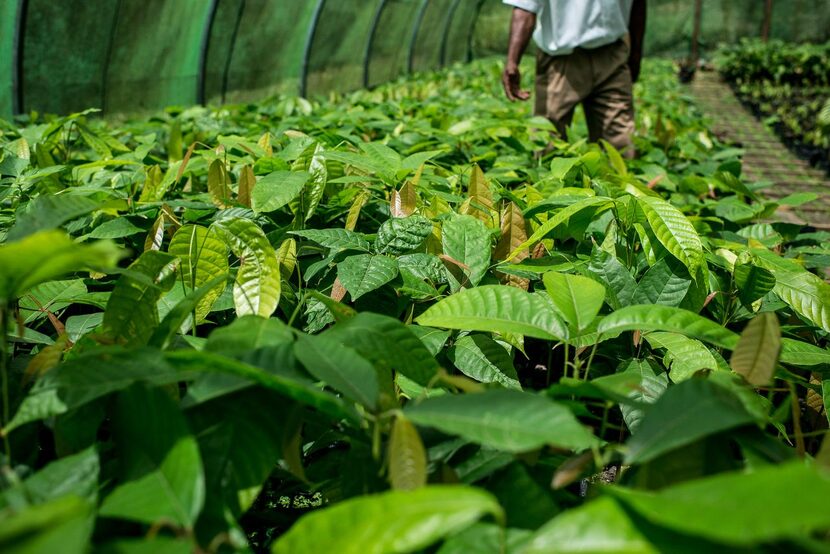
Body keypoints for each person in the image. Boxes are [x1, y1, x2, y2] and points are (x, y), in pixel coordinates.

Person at [501, 0, 647, 154]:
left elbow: (638, 4)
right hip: (560, 61)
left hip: (611, 54)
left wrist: (635, 55)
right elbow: (525, 6)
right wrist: (512, 61)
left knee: (621, 145)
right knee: (549, 142)